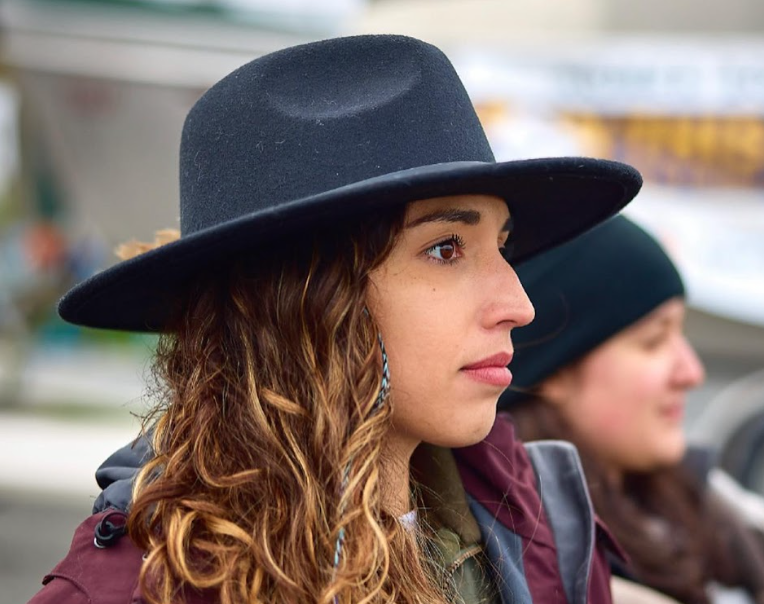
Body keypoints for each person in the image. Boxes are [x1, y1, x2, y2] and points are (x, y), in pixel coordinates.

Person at [27, 35, 642, 604]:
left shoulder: (547, 528)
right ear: (299, 301)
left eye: (501, 247)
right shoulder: (134, 590)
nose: (519, 306)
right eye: (445, 248)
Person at [500, 216, 764, 604]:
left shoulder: (724, 514)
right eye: (654, 341)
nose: (692, 372)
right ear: (554, 373)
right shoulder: (528, 573)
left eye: (681, 334)